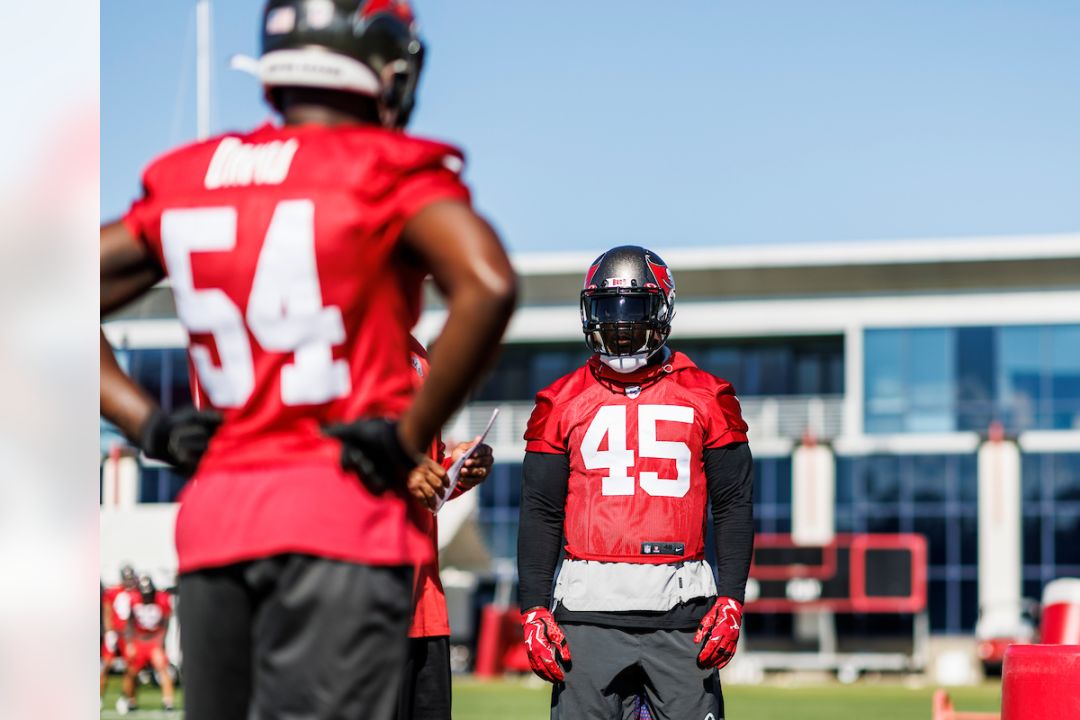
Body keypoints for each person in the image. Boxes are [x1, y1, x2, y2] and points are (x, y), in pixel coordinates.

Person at [98, 1, 518, 717]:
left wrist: (150, 427)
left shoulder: (195, 176)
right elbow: (488, 282)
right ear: (382, 59)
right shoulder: (380, 169)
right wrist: (407, 435)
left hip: (218, 530)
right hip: (341, 527)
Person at [518, 246, 755, 719]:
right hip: (586, 613)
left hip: (682, 609)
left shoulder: (707, 395)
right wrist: (532, 608)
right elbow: (540, 510)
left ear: (663, 310)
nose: (620, 325)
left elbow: (734, 504)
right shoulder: (560, 402)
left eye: (634, 311)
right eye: (608, 311)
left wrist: (731, 599)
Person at [398, 338, 494, 720]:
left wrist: (458, 469)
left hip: (425, 606)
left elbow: (427, 475)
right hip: (361, 611)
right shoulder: (338, 342)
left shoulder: (417, 354)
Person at [118, 575, 177, 715]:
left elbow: (165, 622)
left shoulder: (161, 599)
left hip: (153, 640)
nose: (147, 597)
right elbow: (129, 623)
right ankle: (130, 700)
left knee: (162, 667)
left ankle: (168, 702)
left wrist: (161, 642)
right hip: (138, 639)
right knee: (131, 671)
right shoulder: (133, 599)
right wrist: (129, 643)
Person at [101, 565, 138, 705]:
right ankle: (98, 696)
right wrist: (109, 632)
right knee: (105, 665)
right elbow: (107, 612)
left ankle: (127, 698)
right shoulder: (113, 592)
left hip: (129, 635)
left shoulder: (136, 592)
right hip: (115, 633)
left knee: (131, 667)